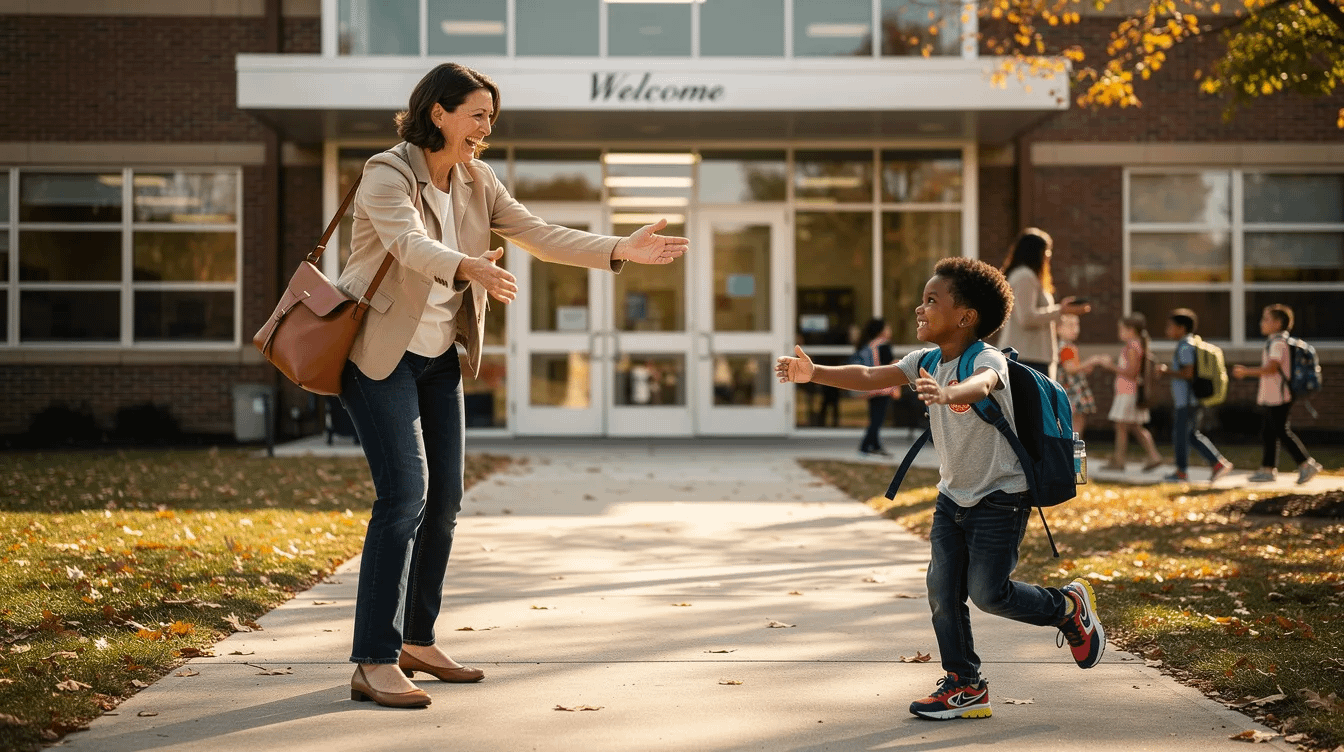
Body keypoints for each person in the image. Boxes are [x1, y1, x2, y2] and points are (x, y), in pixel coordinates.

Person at [335, 63, 687, 708]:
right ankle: (372, 660)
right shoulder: (387, 171)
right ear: (437, 113)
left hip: (440, 357)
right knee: (404, 496)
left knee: (444, 504)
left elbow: (539, 234)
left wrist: (618, 249)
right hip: (380, 354)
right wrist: (467, 263)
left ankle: (416, 640)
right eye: (475, 115)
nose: (484, 129)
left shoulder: (477, 179)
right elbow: (406, 243)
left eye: (490, 119)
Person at [775, 257, 1105, 721]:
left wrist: (949, 394)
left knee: (989, 594)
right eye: (922, 299)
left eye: (933, 300)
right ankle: (965, 685)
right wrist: (816, 374)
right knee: (942, 591)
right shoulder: (924, 360)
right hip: (952, 498)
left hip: (1000, 497)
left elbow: (984, 383)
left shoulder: (985, 359)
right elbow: (872, 376)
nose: (920, 308)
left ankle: (1066, 607)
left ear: (965, 317)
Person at [1231, 304, 1323, 484]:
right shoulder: (1275, 342)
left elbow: (1271, 369)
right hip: (1273, 395)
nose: (1261, 323)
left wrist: (1245, 372)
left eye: (1266, 319)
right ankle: (1267, 469)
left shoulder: (1278, 344)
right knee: (1269, 432)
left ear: (1278, 323)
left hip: (1281, 396)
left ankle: (1306, 464)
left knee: (1281, 431)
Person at [995, 228, 1091, 379]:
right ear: (1035, 252)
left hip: (1031, 356)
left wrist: (1061, 310)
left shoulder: (1027, 276)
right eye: (1047, 251)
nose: (1048, 256)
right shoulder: (1024, 277)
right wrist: (1061, 310)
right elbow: (1026, 318)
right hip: (1026, 358)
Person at [1155, 308, 1233, 484]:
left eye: (1170, 326)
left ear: (1182, 328)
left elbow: (1188, 373)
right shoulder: (1188, 344)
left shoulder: (1185, 346)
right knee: (1190, 435)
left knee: (1181, 436)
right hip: (1190, 400)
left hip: (1187, 400)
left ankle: (1181, 472)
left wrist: (1166, 372)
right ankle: (1217, 463)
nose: (1167, 330)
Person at [1094, 313, 1163, 472]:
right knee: (1134, 427)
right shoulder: (1137, 345)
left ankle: (1119, 461)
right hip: (1129, 392)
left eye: (1122, 329)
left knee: (1121, 426)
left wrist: (1110, 365)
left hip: (1127, 392)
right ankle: (1153, 456)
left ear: (1131, 330)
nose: (1119, 332)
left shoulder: (1132, 347)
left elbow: (1131, 372)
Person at [852, 317, 895, 457]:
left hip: (871, 386)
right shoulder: (884, 345)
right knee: (877, 420)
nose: (890, 330)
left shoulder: (869, 345)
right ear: (881, 331)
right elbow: (891, 368)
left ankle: (876, 446)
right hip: (882, 388)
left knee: (875, 418)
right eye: (887, 328)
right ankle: (864, 446)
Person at [1056, 313, 1099, 440]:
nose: (1075, 329)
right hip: (1072, 390)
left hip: (1072, 387)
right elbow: (1070, 369)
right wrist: (1092, 360)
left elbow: (1073, 367)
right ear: (1058, 328)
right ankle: (1074, 445)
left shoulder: (1068, 346)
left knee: (1078, 418)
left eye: (1076, 325)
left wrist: (1084, 368)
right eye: (1070, 326)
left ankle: (1074, 444)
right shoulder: (1066, 348)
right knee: (1076, 420)